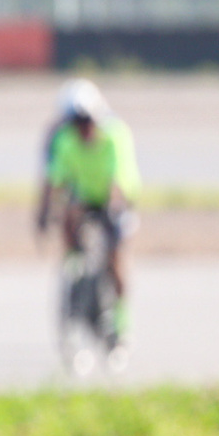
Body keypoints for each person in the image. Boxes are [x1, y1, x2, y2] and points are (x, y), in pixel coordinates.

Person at [37, 76, 142, 352]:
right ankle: (74, 268)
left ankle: (120, 320)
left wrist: (113, 210)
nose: (83, 129)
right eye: (76, 123)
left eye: (88, 122)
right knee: (70, 216)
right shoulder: (64, 140)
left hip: (116, 197)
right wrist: (44, 214)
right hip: (84, 196)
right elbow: (54, 181)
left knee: (116, 255)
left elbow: (118, 180)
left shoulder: (115, 135)